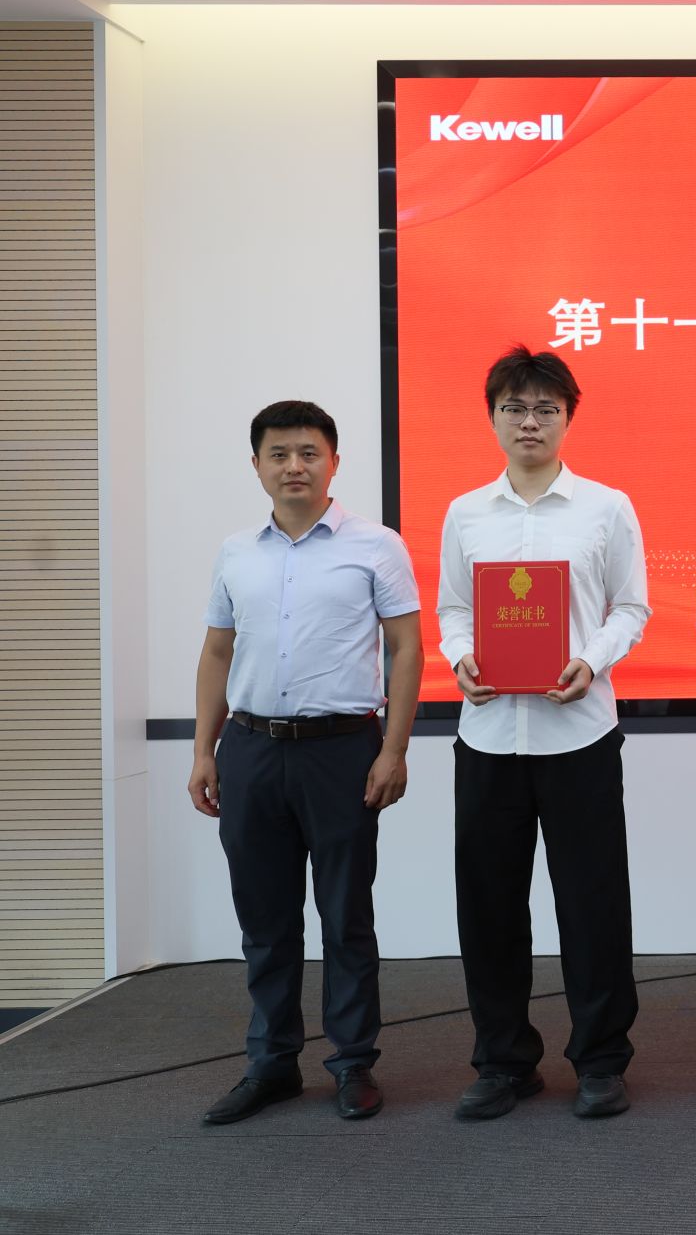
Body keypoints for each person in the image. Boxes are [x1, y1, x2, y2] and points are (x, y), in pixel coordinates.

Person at [188, 400, 421, 1125]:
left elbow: (406, 648)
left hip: (341, 750)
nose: (295, 466)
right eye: (280, 454)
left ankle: (352, 1063)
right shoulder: (237, 552)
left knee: (346, 914)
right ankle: (272, 1064)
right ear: (257, 465)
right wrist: (203, 748)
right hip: (251, 748)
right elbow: (218, 651)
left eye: (309, 453)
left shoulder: (376, 545)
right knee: (264, 918)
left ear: (334, 462)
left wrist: (393, 749)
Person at [436, 345, 651, 1120]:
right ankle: (503, 1061)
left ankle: (601, 1058)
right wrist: (460, 656)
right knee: (489, 906)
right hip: (489, 735)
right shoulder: (465, 512)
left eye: (545, 409)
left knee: (593, 903)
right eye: (515, 408)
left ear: (567, 418)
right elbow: (454, 608)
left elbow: (632, 607)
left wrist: (591, 660)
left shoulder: (606, 507)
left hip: (579, 736)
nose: (529, 421)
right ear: (493, 417)